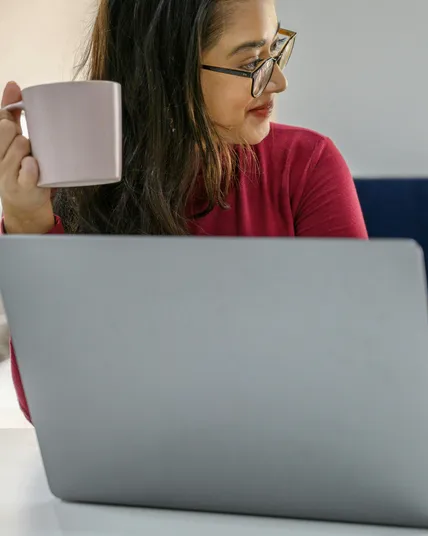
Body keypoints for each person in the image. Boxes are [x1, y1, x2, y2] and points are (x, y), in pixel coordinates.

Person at [0, 0, 368, 422]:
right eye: (251, 62)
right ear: (167, 71)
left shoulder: (306, 166)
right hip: (131, 476)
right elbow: (54, 408)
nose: (278, 81)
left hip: (290, 461)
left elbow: (352, 367)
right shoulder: (79, 178)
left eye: (274, 50)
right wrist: (28, 225)